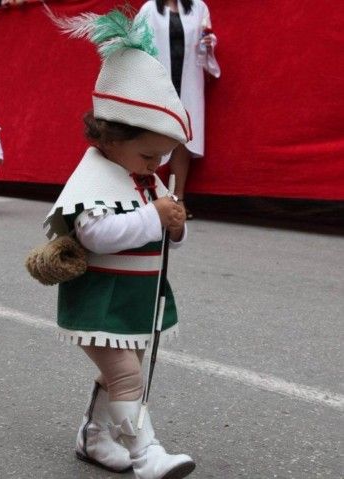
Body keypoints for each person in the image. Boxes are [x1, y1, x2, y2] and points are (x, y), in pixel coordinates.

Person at [42, 9, 195, 479]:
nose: (156, 164)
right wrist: (154, 218)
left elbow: (166, 230)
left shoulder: (143, 176)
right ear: (109, 137)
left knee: (125, 371)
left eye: (163, 156)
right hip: (100, 299)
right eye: (149, 154)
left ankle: (95, 435)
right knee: (128, 374)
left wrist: (174, 225)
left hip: (135, 298)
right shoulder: (95, 177)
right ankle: (147, 455)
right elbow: (95, 233)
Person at [137, 0, 221, 219]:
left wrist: (208, 43)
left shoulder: (198, 8)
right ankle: (145, 198)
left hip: (188, 82)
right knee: (152, 135)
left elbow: (205, 39)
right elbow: (136, 44)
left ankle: (178, 199)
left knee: (184, 139)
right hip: (158, 80)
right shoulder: (148, 10)